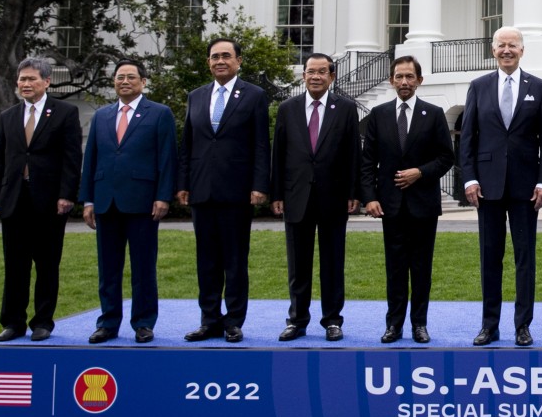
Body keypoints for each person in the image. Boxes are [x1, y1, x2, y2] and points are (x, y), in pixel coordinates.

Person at [460, 26, 542, 347]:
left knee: (524, 258)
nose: (507, 50)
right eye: (501, 45)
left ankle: (522, 326)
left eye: (512, 45)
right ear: (493, 49)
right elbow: (468, 138)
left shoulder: (539, 88)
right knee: (490, 257)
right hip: (486, 187)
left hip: (527, 188)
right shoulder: (478, 86)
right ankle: (490, 325)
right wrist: (469, 178)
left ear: (522, 50)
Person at [177, 38, 270, 344]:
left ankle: (233, 321)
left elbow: (260, 144)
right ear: (208, 62)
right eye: (215, 56)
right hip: (202, 191)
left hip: (237, 192)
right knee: (206, 261)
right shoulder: (196, 96)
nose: (220, 61)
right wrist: (184, 184)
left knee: (234, 261)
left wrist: (259, 185)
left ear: (238, 61)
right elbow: (188, 145)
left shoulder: (254, 95)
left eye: (226, 56)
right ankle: (209, 320)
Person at [79, 60, 177, 344]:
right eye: (120, 77)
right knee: (108, 267)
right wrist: (87, 199)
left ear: (143, 82)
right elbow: (91, 159)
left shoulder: (159, 114)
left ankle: (143, 323)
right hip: (105, 201)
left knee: (143, 267)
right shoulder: (101, 116)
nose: (125, 81)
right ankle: (108, 322)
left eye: (131, 77)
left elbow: (167, 158)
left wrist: (163, 196)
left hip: (143, 202)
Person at [0, 58, 82, 342]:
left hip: (50, 202)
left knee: (47, 264)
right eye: (22, 79)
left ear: (47, 81)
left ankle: (42, 322)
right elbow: (0, 161)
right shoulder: (8, 116)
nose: (25, 84)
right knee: (15, 265)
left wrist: (67, 195)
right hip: (14, 200)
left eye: (31, 79)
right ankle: (13, 323)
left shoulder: (65, 113)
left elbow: (71, 158)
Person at [361, 56, 454, 344]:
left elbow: (447, 157)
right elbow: (367, 161)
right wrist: (370, 198)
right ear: (391, 80)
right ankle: (394, 325)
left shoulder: (434, 113)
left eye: (409, 77)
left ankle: (419, 325)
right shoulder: (378, 114)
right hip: (390, 205)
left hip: (423, 204)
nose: (404, 82)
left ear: (419, 80)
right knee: (396, 267)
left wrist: (420, 173)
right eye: (399, 77)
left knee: (422, 267)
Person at [271, 53, 360, 342]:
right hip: (296, 197)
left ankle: (332, 320)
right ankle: (297, 320)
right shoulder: (287, 109)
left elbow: (352, 155)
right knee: (298, 264)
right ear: (303, 76)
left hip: (333, 197)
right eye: (311, 71)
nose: (316, 76)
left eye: (322, 72)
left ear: (332, 77)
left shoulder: (345, 109)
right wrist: (277, 193)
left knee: (333, 263)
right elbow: (279, 154)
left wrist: (352, 192)